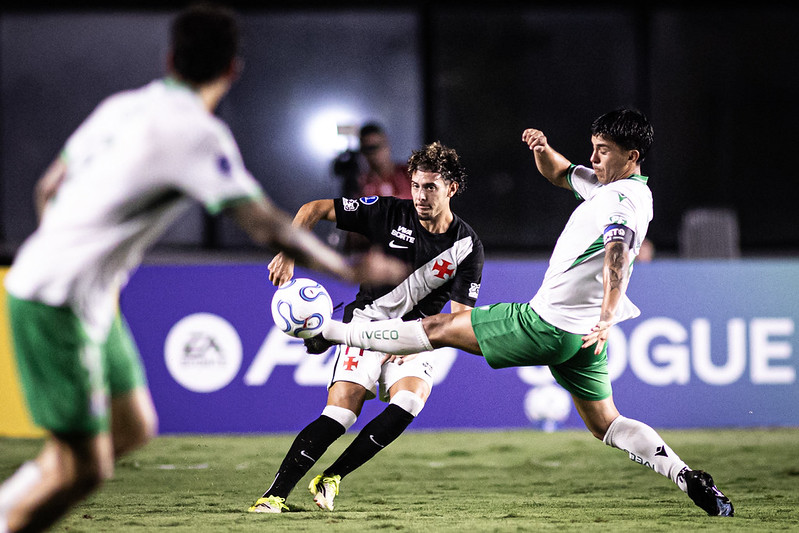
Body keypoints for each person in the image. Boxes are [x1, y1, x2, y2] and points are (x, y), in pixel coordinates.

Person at [0, 5, 406, 533]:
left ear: (170, 58)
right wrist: (349, 272)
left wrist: (84, 257)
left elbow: (47, 188)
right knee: (83, 465)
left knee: (133, 428)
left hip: (86, 294)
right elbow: (267, 226)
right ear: (232, 70)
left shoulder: (123, 106)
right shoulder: (197, 133)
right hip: (56, 299)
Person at [304, 109, 734, 517]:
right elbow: (563, 173)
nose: (593, 156)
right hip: (579, 338)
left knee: (437, 327)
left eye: (602, 149)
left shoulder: (625, 201)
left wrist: (607, 313)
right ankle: (686, 475)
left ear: (631, 156)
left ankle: (332, 333)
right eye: (593, 146)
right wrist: (542, 150)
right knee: (606, 422)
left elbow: (617, 254)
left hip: (547, 324)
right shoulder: (609, 187)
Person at [248, 141, 484, 513]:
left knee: (410, 400)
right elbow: (313, 209)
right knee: (341, 414)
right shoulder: (388, 212)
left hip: (415, 336)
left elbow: (460, 318)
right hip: (366, 325)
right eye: (417, 186)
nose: (420, 196)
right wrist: (288, 253)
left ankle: (332, 477)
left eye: (431, 187)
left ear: (451, 189)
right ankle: (273, 496)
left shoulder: (466, 246)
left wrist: (430, 337)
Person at [356, 122, 412, 200]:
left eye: (375, 147)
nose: (373, 153)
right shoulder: (362, 184)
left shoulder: (407, 174)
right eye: (367, 149)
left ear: (387, 144)